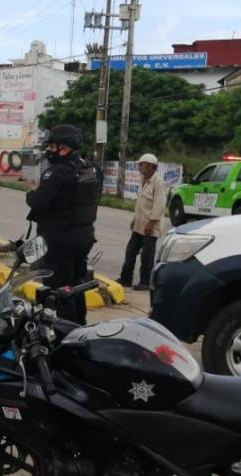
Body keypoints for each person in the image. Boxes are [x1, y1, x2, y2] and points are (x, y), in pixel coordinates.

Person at [25, 124, 101, 325]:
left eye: (53, 146)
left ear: (65, 148)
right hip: (84, 236)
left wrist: (31, 194)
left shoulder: (57, 172)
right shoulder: (91, 169)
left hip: (59, 240)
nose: (50, 151)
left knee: (59, 291)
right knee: (76, 287)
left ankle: (64, 335)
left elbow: (40, 202)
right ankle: (79, 326)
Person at [117, 153, 164, 291]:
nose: (139, 167)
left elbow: (159, 205)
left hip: (150, 226)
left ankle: (144, 282)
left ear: (150, 166)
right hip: (139, 224)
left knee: (147, 256)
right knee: (130, 252)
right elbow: (140, 203)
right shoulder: (142, 179)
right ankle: (126, 279)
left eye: (142, 164)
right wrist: (134, 220)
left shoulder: (158, 182)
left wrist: (151, 223)